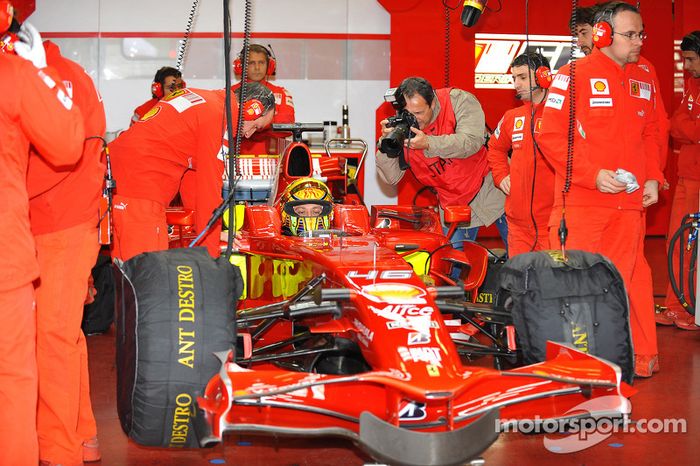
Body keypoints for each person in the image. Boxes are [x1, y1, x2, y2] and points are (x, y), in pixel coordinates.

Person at [538, 2, 664, 377]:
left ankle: (641, 356)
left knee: (633, 278)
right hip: (582, 205)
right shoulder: (571, 75)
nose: (638, 41)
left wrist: (654, 176)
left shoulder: (646, 74)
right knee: (578, 283)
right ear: (603, 34)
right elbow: (550, 137)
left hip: (630, 205)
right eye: (630, 35)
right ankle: (576, 362)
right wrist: (591, 176)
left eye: (641, 33)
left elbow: (654, 131)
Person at [0, 17, 85, 466]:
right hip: (7, 254)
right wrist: (39, 71)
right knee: (13, 378)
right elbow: (68, 143)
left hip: (41, 232)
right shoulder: (14, 73)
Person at [25, 38, 106, 466]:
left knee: (50, 338)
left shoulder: (44, 78)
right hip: (71, 219)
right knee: (65, 335)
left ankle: (58, 450)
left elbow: (55, 157)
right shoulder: (70, 75)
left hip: (52, 220)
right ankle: (81, 439)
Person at [109, 82, 275, 261]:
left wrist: (209, 230)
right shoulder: (219, 118)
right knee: (150, 277)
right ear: (252, 109)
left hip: (114, 182)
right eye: (256, 126)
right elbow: (208, 188)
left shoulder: (206, 100)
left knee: (124, 276)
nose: (249, 135)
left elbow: (192, 177)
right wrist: (210, 260)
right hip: (141, 192)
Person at [375, 76, 507, 248]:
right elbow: (391, 178)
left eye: (419, 113)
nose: (415, 119)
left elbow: (471, 141)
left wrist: (429, 143)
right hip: (452, 203)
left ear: (433, 103)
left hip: (492, 188)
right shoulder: (402, 125)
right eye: (409, 113)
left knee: (521, 257)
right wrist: (386, 144)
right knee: (454, 267)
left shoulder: (458, 100)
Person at [487, 52, 555, 256]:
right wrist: (501, 176)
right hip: (517, 227)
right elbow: (495, 148)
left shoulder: (562, 114)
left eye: (523, 77)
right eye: (514, 78)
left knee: (552, 284)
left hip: (552, 225)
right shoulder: (512, 117)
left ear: (543, 76)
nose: (516, 84)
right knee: (519, 285)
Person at [656, 31, 700, 331]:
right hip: (687, 174)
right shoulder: (693, 83)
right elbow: (677, 124)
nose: (687, 66)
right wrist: (684, 125)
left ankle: (691, 309)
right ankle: (676, 306)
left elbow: (691, 129)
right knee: (678, 241)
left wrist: (683, 125)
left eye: (692, 59)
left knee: (693, 246)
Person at [232, 44, 295, 154]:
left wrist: (250, 124)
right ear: (240, 66)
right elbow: (226, 128)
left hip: (273, 162)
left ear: (269, 66)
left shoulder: (281, 93)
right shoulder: (230, 93)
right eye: (251, 63)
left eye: (261, 63)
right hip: (237, 161)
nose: (257, 68)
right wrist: (268, 123)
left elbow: (287, 128)